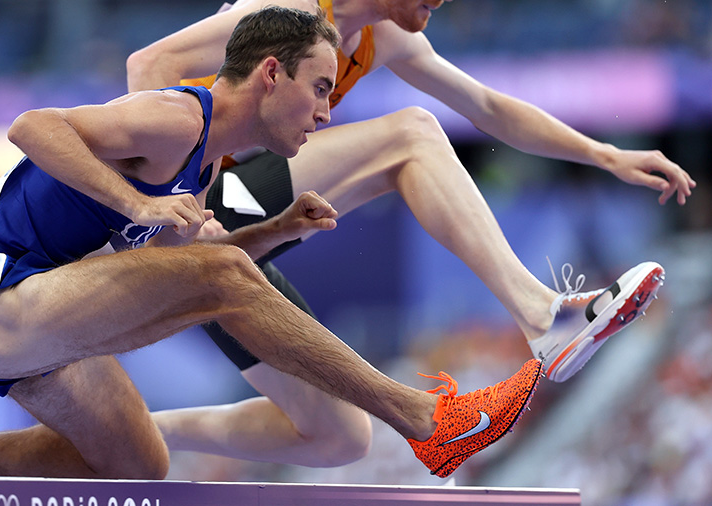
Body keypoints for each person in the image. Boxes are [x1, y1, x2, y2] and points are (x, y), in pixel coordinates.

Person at [0, 6, 542, 481]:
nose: (329, 112)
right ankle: (425, 420)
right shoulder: (179, 116)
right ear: (270, 73)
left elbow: (196, 256)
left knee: (140, 462)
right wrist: (136, 201)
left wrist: (278, 229)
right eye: (320, 89)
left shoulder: (208, 164)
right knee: (223, 275)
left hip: (42, 321)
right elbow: (32, 127)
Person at [125, 0, 690, 468]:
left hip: (223, 239)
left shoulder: (383, 35)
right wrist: (175, 200)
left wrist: (606, 153)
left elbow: (488, 106)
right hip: (169, 218)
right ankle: (544, 316)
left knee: (340, 436)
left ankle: (140, 432)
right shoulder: (292, 10)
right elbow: (148, 61)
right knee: (412, 135)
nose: (443, 1)